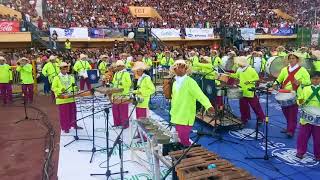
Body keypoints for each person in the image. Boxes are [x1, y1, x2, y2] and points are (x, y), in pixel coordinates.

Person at [169, 60, 214, 146]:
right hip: (177, 114)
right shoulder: (175, 83)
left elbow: (200, 95)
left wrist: (208, 105)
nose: (180, 69)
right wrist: (172, 112)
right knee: (179, 137)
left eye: (182, 67)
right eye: (177, 67)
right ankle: (183, 153)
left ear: (186, 69)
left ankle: (187, 153)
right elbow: (174, 99)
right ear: (174, 70)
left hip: (186, 114)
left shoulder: (190, 82)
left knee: (184, 138)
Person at [273, 52, 311, 137]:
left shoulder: (302, 70)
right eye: (290, 58)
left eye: (293, 58)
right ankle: (289, 126)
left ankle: (291, 130)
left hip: (295, 94)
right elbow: (279, 79)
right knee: (285, 112)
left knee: (292, 113)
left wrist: (300, 82)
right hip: (284, 94)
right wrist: (275, 84)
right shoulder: (284, 69)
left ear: (297, 60)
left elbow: (308, 82)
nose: (291, 60)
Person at [228, 56, 265, 125]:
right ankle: (244, 118)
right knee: (243, 106)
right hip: (242, 90)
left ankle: (261, 118)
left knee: (255, 106)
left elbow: (256, 78)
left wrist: (249, 81)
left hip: (250, 91)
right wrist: (230, 74)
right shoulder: (239, 69)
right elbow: (236, 76)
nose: (238, 64)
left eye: (239, 63)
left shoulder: (250, 69)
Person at [51, 62, 82, 133]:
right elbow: (53, 87)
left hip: (71, 97)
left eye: (66, 67)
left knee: (73, 112)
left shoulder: (71, 77)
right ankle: (65, 127)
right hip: (62, 99)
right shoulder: (56, 78)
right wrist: (60, 90)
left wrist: (76, 88)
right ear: (60, 69)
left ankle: (74, 124)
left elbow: (74, 85)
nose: (65, 69)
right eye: (64, 68)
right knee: (64, 114)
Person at [296, 72, 320, 160]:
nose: (315, 80)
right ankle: (300, 152)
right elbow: (300, 98)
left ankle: (318, 154)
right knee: (303, 136)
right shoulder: (305, 89)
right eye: (313, 78)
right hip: (306, 116)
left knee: (318, 138)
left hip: (318, 118)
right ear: (310, 79)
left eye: (317, 78)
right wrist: (300, 102)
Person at [111, 60, 132, 129]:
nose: (117, 67)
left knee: (123, 111)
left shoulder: (126, 73)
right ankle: (117, 123)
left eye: (118, 66)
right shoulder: (116, 73)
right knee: (115, 109)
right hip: (116, 94)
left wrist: (121, 84)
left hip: (124, 94)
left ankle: (125, 124)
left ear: (122, 66)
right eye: (117, 66)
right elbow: (114, 82)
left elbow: (129, 83)